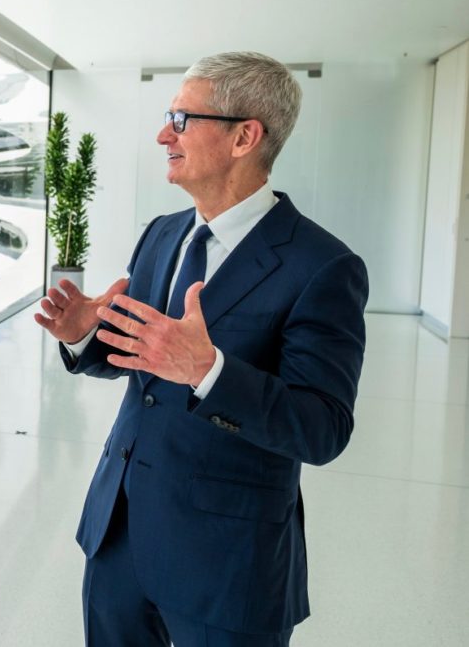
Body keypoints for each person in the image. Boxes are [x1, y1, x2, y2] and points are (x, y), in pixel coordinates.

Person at [35, 51, 368, 646]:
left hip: (228, 563)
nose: (164, 133)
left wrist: (209, 371)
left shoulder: (323, 266)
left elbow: (323, 428)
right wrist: (86, 334)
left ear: (245, 136)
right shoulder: (162, 234)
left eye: (183, 119)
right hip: (120, 536)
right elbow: (143, 357)